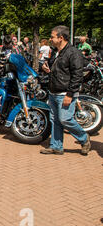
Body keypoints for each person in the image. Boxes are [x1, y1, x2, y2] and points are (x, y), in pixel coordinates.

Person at [41, 25, 91, 156]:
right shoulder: (56, 51)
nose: (50, 39)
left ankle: (84, 138)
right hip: (53, 91)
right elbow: (57, 69)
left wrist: (70, 94)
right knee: (55, 120)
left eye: (52, 37)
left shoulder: (73, 53)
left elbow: (77, 75)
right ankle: (56, 146)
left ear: (61, 38)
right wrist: (47, 69)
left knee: (65, 119)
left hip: (65, 93)